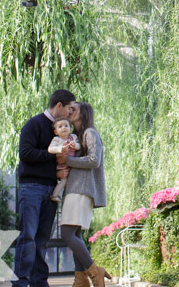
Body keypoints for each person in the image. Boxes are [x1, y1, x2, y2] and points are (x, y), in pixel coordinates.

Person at [12, 89, 76, 287]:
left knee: (42, 239)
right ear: (59, 106)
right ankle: (21, 283)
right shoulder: (34, 124)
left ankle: (39, 282)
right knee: (28, 237)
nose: (70, 113)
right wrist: (54, 153)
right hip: (31, 187)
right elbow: (26, 153)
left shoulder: (61, 128)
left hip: (50, 188)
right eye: (68, 109)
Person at [59, 101, 111, 287]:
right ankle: (81, 280)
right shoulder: (79, 136)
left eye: (74, 109)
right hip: (76, 189)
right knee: (76, 235)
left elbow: (94, 160)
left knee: (66, 234)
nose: (69, 111)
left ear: (84, 113)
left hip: (80, 189)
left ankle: (94, 271)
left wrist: (68, 161)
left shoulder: (90, 133)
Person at [48, 118, 80, 202]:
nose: (64, 128)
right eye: (60, 126)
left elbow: (79, 146)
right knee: (64, 180)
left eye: (66, 126)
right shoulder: (57, 140)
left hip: (72, 163)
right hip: (63, 165)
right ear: (56, 132)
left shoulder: (73, 137)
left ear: (70, 128)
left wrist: (75, 145)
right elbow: (50, 149)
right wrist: (60, 149)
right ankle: (55, 195)